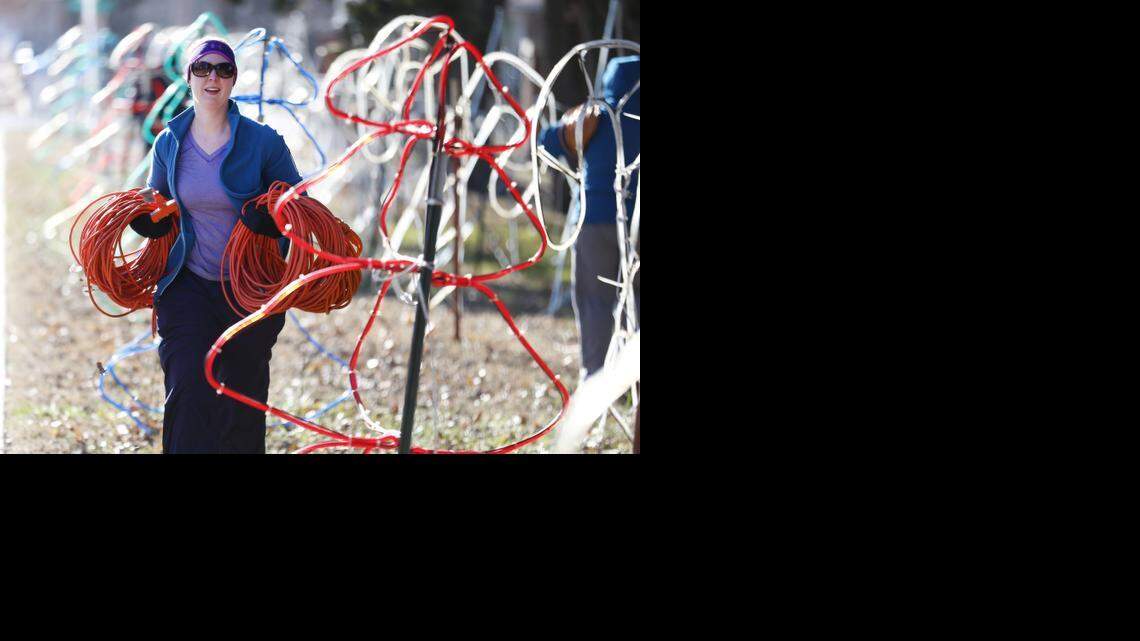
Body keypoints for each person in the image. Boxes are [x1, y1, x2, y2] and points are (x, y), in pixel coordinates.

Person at [128, 37, 302, 453]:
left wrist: (273, 219)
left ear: (233, 80)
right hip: (188, 285)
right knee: (188, 388)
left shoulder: (264, 143)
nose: (213, 77)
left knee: (241, 399)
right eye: (203, 68)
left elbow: (300, 205)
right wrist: (147, 224)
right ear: (188, 78)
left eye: (224, 69)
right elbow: (156, 202)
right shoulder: (169, 142)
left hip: (249, 291)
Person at [539, 55, 640, 379]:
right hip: (637, 225)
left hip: (594, 220)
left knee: (595, 302)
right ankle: (630, 379)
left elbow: (545, 142)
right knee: (635, 304)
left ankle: (594, 378)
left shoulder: (594, 117)